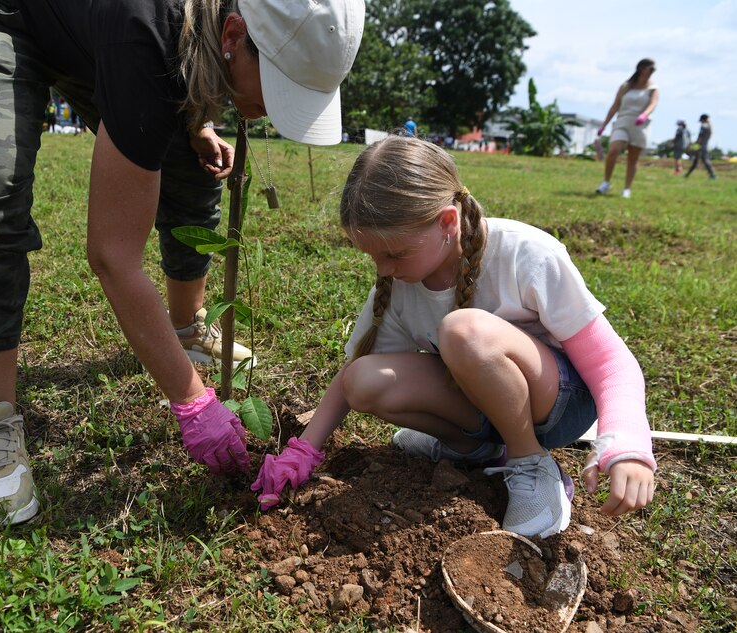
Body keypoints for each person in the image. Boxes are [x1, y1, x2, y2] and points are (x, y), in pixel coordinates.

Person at [0, 0, 365, 525]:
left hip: (95, 31)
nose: (274, 109)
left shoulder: (189, 34)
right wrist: (193, 403)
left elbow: (172, 64)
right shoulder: (149, 32)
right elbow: (113, 255)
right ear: (232, 33)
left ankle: (185, 328)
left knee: (188, 157)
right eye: (276, 86)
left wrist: (191, 117)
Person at [252, 136, 657, 539]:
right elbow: (351, 380)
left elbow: (611, 364)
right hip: (481, 407)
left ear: (447, 222)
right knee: (363, 379)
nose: (383, 268)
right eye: (373, 256)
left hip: (557, 408)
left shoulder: (525, 254)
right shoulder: (399, 284)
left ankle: (530, 462)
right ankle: (474, 448)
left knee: (462, 331)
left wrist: (627, 444)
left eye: (394, 254)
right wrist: (303, 452)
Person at [594, 59, 658, 199]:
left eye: (654, 71)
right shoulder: (626, 86)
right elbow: (615, 105)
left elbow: (653, 104)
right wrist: (604, 125)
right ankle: (605, 183)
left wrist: (644, 115)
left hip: (640, 125)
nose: (652, 73)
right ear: (641, 68)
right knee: (613, 151)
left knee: (632, 158)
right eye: (650, 69)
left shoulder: (653, 89)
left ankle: (627, 188)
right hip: (623, 121)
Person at [684, 114, 717, 180]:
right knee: (696, 160)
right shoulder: (709, 126)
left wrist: (695, 145)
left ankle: (713, 175)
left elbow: (700, 137)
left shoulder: (703, 126)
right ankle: (687, 174)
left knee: (704, 160)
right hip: (705, 146)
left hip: (700, 147)